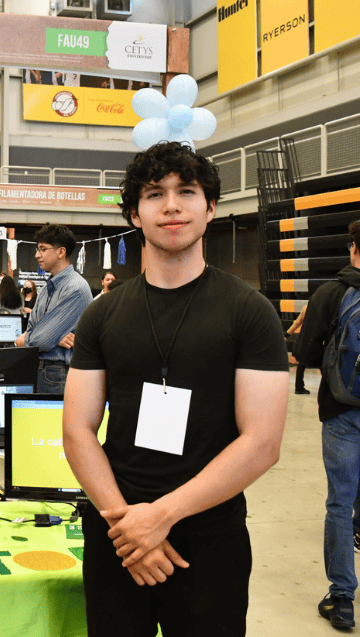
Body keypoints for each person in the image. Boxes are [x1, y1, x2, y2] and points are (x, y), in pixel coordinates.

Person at [64, 141, 288, 637]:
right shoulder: (101, 313)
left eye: (186, 191)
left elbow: (262, 443)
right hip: (117, 535)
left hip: (209, 537)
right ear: (134, 213)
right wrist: (130, 527)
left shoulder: (249, 312)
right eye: (154, 194)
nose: (171, 205)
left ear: (210, 208)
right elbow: (78, 429)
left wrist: (160, 518)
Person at [295, 221, 360, 629]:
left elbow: (305, 350)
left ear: (353, 247)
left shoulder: (331, 293)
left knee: (339, 501)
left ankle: (342, 598)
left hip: (341, 411)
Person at [15, 224, 92, 394]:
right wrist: (54, 338)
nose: (37, 255)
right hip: (40, 368)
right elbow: (33, 330)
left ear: (61, 252)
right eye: (37, 249)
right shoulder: (47, 288)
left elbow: (38, 340)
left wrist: (26, 340)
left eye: (42, 249)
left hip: (57, 372)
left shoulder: (75, 288)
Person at [286, 303, 309, 395]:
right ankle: (327, 389)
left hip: (304, 338)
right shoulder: (322, 309)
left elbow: (297, 323)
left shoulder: (306, 308)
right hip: (316, 338)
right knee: (323, 364)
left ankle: (299, 387)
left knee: (301, 364)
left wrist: (287, 334)